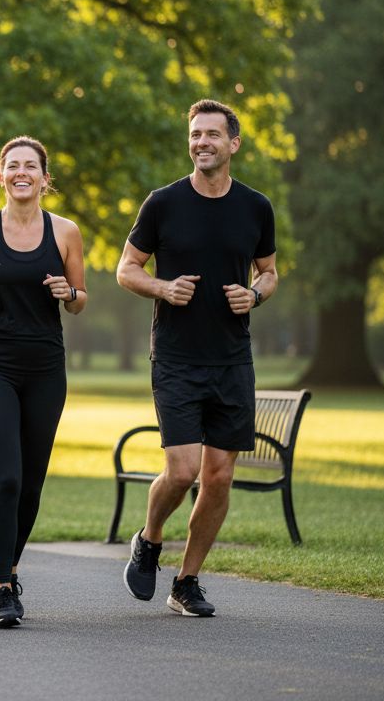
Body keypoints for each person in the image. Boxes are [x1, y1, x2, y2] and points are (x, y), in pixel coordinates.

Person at [115, 98, 278, 617]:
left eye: (212, 134)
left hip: (232, 359)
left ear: (233, 143)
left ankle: (187, 581)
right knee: (183, 471)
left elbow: (270, 272)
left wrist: (254, 295)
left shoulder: (256, 207)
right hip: (178, 358)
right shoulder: (163, 203)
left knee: (220, 477)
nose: (201, 142)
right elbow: (126, 269)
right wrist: (163, 288)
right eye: (194, 134)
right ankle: (149, 537)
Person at [0, 135, 87, 627]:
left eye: (32, 166)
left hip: (46, 366)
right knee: (6, 476)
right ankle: (3, 588)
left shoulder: (65, 232)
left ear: (46, 179)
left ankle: (9, 564)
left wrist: (68, 290)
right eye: (13, 166)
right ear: (1, 176)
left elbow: (80, 298)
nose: (22, 173)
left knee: (31, 484)